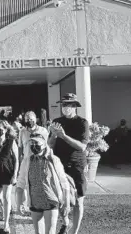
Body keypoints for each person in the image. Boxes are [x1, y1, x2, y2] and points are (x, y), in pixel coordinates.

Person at [48, 93, 89, 234]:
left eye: (68, 105)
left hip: (77, 164)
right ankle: (65, 222)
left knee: (78, 201)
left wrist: (64, 136)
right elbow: (50, 145)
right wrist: (53, 134)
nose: (65, 107)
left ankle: (74, 232)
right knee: (59, 198)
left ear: (75, 106)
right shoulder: (57, 121)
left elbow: (82, 147)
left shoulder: (82, 123)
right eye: (64, 105)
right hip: (59, 164)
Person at [16, 133, 70, 234]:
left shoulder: (53, 160)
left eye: (36, 143)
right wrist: (19, 203)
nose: (33, 146)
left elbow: (64, 182)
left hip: (51, 201)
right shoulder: (27, 161)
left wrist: (66, 203)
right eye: (31, 143)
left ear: (44, 144)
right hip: (35, 202)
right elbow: (20, 183)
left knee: (50, 232)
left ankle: (66, 223)